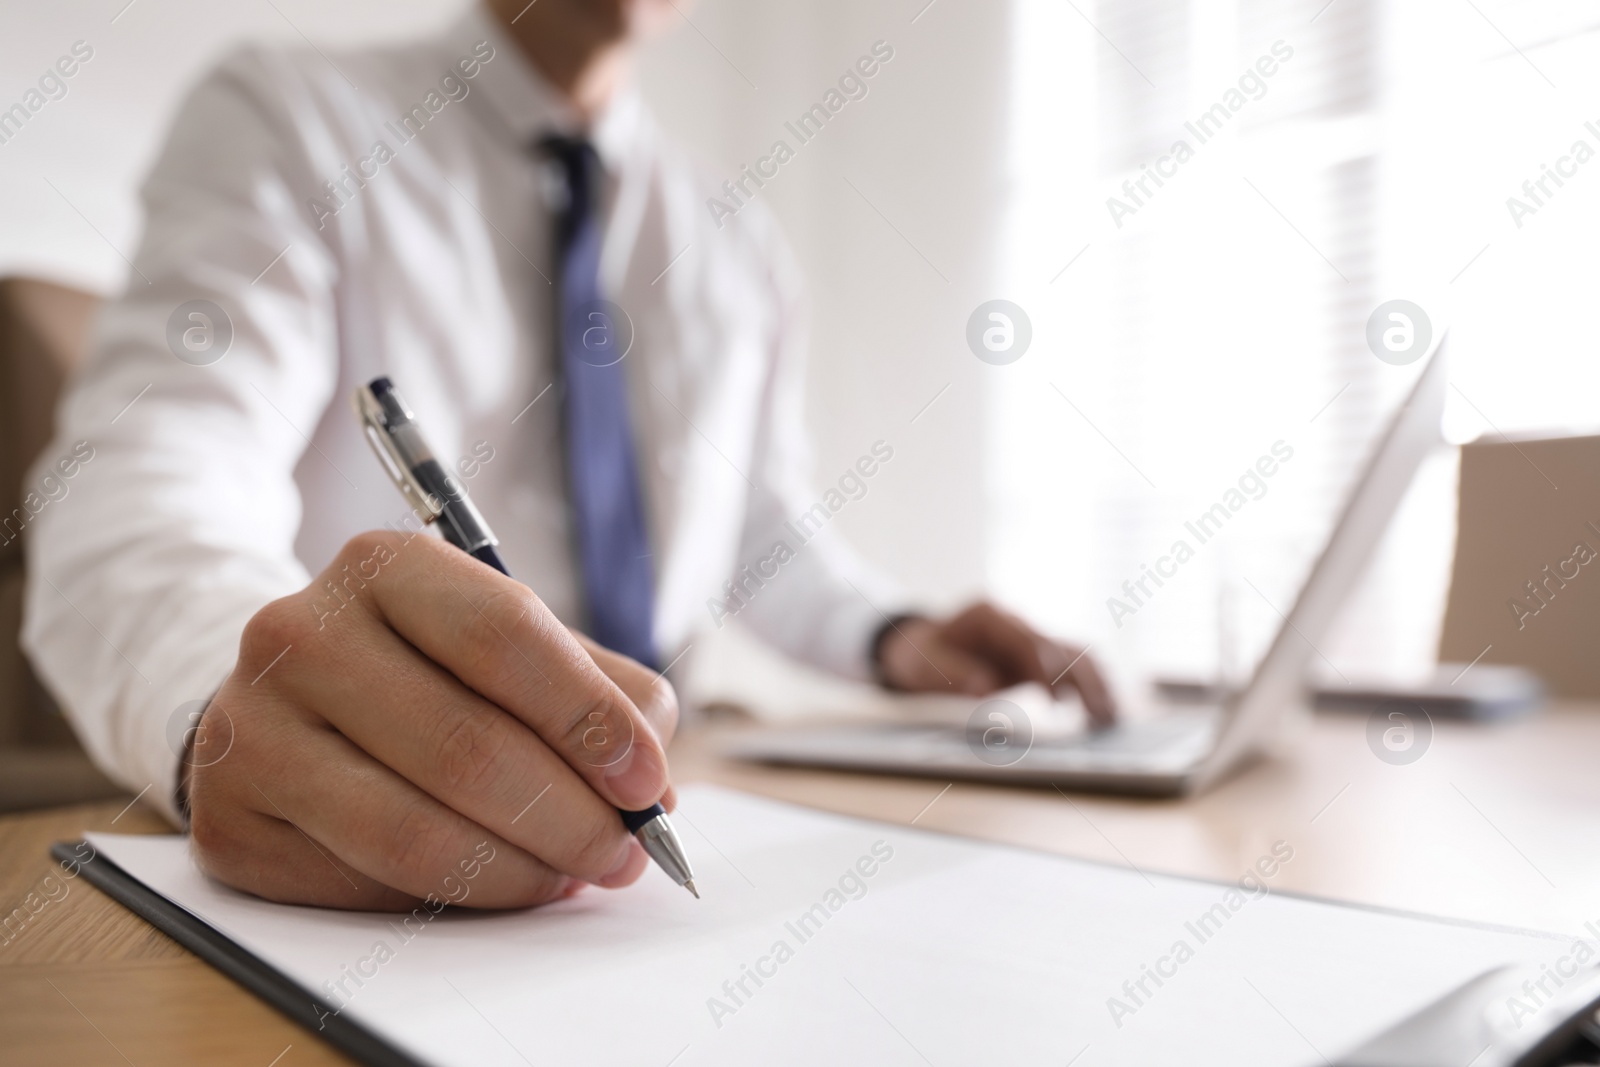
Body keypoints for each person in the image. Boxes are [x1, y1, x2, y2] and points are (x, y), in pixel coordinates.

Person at [22, 0, 1113, 910]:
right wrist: (227, 692)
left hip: (674, 782)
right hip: (382, 842)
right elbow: (139, 482)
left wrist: (899, 636)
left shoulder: (734, 239)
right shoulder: (288, 118)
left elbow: (764, 530)